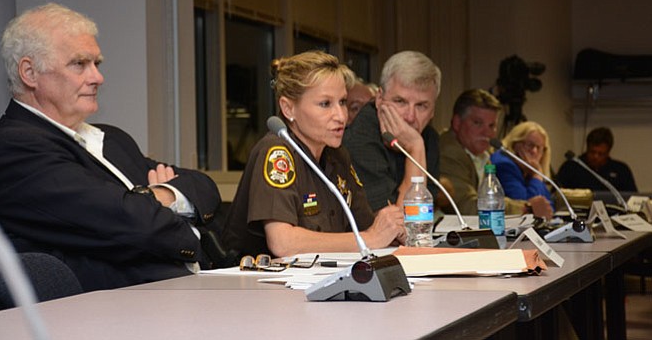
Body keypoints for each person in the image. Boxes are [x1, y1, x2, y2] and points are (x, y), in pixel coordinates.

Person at [0, 3, 222, 291]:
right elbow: (133, 225)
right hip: (111, 314)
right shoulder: (14, 149)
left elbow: (204, 186)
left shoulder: (112, 139)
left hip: (190, 289)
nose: (97, 77)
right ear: (30, 73)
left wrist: (156, 197)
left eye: (97, 63)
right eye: (79, 64)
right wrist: (169, 210)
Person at [222, 51, 405, 258]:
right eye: (325, 104)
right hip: (257, 284)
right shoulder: (277, 153)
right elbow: (283, 242)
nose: (341, 116)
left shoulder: (337, 154)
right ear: (288, 108)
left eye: (343, 102)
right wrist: (369, 238)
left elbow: (366, 225)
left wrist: (390, 229)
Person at [343, 51, 443, 212]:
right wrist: (415, 148)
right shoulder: (360, 139)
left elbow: (424, 212)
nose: (410, 117)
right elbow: (402, 224)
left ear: (433, 111)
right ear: (379, 99)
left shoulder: (429, 137)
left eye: (421, 106)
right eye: (400, 101)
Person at [439, 89, 553, 219]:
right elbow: (466, 208)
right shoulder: (448, 153)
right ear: (457, 123)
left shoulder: (483, 155)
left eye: (492, 125)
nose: (487, 133)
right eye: (478, 123)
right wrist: (525, 208)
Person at [490, 121, 555, 207]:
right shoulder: (505, 165)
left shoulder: (527, 170)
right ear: (515, 145)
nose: (534, 151)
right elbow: (527, 207)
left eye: (539, 148)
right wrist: (536, 175)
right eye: (530, 145)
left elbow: (549, 207)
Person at [557, 127, 638, 192]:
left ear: (608, 152)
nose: (596, 157)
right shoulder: (571, 167)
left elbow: (633, 199)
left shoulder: (621, 170)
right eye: (592, 152)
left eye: (601, 154)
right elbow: (556, 194)